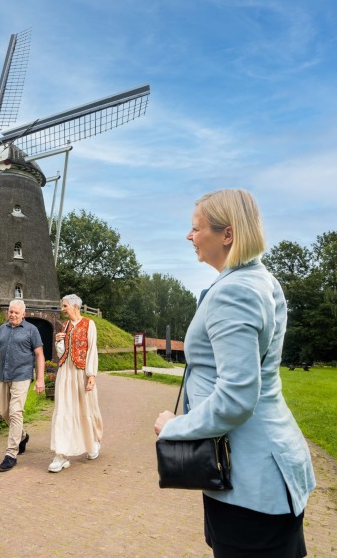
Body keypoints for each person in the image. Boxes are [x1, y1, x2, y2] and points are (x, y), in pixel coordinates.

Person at [154, 189, 316, 557]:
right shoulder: (259, 280)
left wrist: (175, 427)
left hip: (250, 481)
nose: (189, 236)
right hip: (260, 471)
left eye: (196, 228)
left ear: (227, 234)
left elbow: (236, 399)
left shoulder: (235, 292)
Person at [0, 299, 45, 472]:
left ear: (24, 314)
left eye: (16, 312)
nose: (13, 315)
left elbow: (39, 354)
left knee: (16, 412)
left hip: (22, 376)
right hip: (4, 376)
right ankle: (22, 436)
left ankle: (11, 455)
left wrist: (40, 379)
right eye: (11, 312)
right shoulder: (2, 329)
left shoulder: (31, 330)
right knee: (4, 412)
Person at [48, 294, 103, 473]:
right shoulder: (65, 325)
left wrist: (91, 375)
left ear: (75, 306)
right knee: (63, 409)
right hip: (65, 372)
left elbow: (92, 349)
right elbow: (61, 352)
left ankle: (92, 443)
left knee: (86, 408)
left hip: (81, 373)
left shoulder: (89, 324)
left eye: (65, 306)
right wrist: (58, 342)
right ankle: (61, 454)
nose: (62, 309)